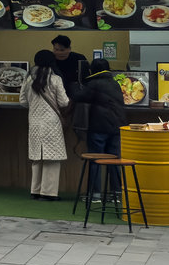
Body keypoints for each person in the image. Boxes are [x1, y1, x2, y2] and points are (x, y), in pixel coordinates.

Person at [19, 49, 71, 200]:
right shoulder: (55, 80)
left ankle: (35, 190)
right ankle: (48, 193)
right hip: (52, 123)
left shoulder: (28, 80)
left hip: (34, 122)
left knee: (37, 158)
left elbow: (22, 101)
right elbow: (64, 102)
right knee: (52, 158)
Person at [81, 58, 128, 202]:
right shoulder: (115, 83)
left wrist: (72, 86)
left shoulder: (93, 83)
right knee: (114, 160)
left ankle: (95, 195)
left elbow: (80, 97)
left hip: (99, 126)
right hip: (116, 126)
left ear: (92, 70)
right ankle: (117, 194)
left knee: (96, 159)